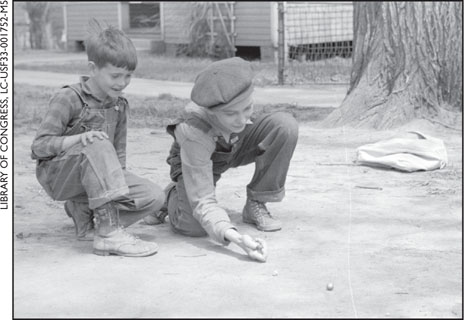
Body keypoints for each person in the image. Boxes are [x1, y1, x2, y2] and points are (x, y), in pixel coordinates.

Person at [30, 21, 165, 257]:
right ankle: (109, 233)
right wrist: (80, 139)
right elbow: (39, 147)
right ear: (93, 68)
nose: (122, 83)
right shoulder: (68, 97)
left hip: (96, 177)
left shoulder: (119, 105)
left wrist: (116, 189)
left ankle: (86, 217)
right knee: (97, 143)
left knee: (154, 197)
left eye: (128, 76)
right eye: (115, 75)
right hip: (58, 176)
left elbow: (118, 157)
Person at [144, 57, 299, 262]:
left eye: (247, 108)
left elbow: (245, 120)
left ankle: (257, 203)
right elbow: (204, 202)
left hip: (234, 145)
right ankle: (172, 196)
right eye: (231, 113)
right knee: (193, 227)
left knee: (284, 126)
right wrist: (236, 237)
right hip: (199, 159)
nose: (242, 119)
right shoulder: (193, 132)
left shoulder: (239, 109)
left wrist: (239, 120)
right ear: (210, 111)